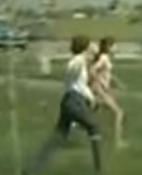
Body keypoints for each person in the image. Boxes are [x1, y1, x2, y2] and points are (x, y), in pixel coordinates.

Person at [23, 35, 102, 174]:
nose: (92, 46)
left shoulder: (82, 61)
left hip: (70, 101)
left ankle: (33, 168)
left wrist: (91, 99)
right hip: (74, 101)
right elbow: (73, 69)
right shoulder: (77, 61)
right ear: (85, 47)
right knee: (94, 128)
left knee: (58, 137)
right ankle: (99, 169)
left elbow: (80, 83)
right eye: (90, 44)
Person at [91, 36, 127, 150]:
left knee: (96, 111)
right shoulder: (104, 58)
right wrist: (100, 85)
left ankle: (94, 135)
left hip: (100, 90)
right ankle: (118, 142)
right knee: (118, 113)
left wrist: (118, 82)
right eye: (114, 45)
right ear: (108, 47)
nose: (116, 48)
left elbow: (106, 73)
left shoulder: (105, 58)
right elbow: (92, 70)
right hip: (99, 90)